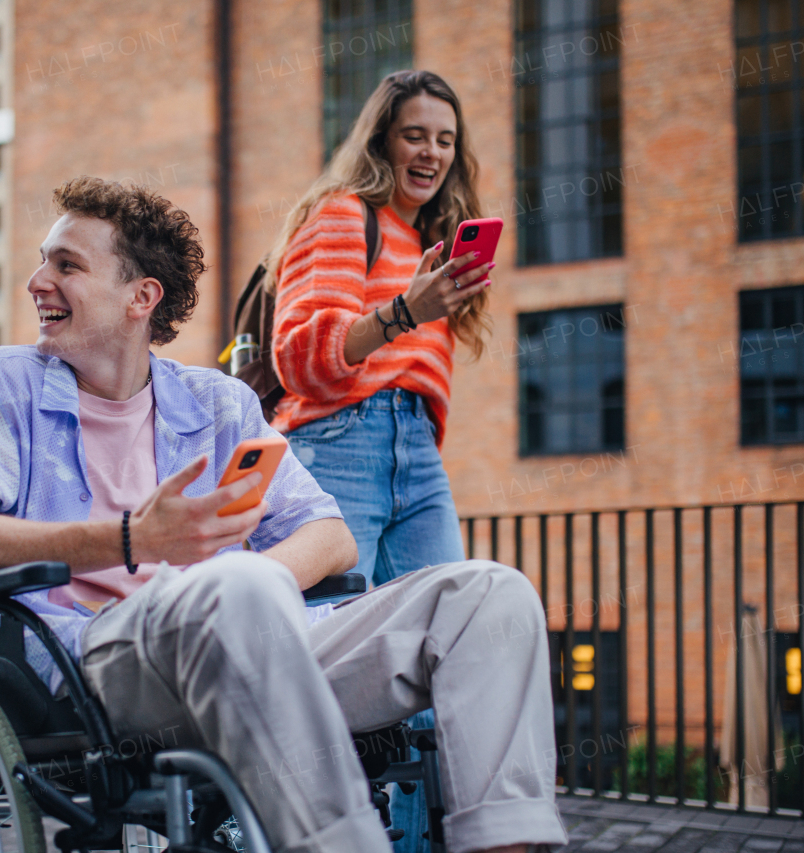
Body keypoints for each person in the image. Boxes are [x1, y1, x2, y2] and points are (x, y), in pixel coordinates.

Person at [0, 176, 566, 853]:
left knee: (489, 595)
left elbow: (330, 534)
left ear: (141, 297)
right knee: (233, 586)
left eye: (66, 264)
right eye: (44, 259)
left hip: (262, 638)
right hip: (94, 659)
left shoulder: (216, 402)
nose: (37, 281)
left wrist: (257, 588)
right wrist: (132, 538)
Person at [265, 69, 492, 850]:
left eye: (445, 139)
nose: (430, 151)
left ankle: (421, 838)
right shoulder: (340, 217)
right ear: (381, 140)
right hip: (338, 440)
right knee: (327, 658)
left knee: (449, 646)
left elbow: (421, 383)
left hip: (417, 459)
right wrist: (404, 311)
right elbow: (299, 357)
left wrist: (428, 305)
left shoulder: (430, 247)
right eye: (414, 134)